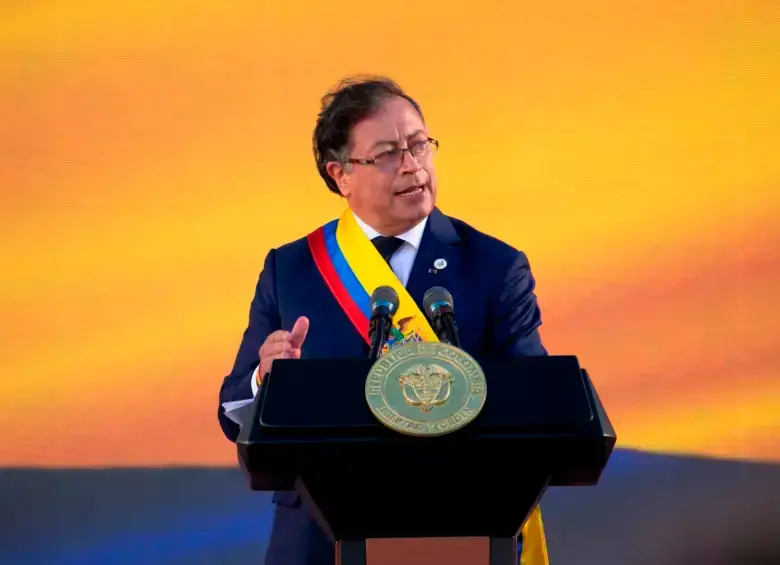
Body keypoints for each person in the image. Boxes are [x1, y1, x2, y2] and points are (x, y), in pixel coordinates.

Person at [218, 76, 550, 565]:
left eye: (419, 145)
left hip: (458, 527)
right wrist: (265, 380)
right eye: (388, 154)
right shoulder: (292, 269)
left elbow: (538, 404)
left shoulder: (495, 266)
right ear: (341, 175)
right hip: (317, 540)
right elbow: (232, 408)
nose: (413, 165)